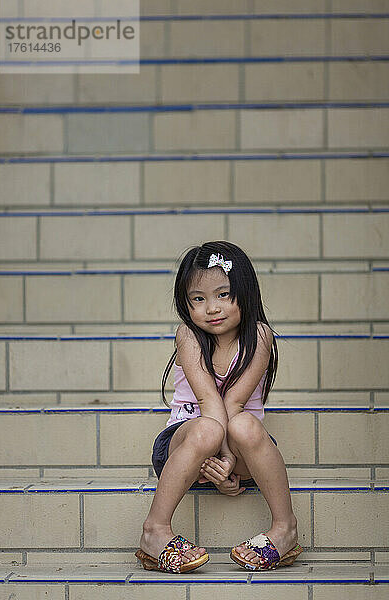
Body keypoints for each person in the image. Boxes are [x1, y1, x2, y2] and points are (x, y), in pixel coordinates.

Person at [135, 241, 303, 574]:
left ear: (246, 292)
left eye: (223, 295)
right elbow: (210, 403)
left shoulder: (259, 336)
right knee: (208, 427)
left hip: (239, 453)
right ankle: (154, 530)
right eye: (198, 299)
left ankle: (285, 529)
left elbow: (233, 401)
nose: (212, 308)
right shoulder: (188, 336)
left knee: (243, 423)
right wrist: (224, 457)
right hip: (186, 447)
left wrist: (230, 463)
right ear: (186, 303)